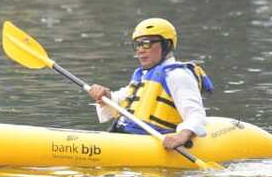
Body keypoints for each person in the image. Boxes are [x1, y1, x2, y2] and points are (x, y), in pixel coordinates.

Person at [87, 18, 214, 151]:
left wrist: (181, 136)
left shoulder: (178, 75)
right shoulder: (144, 74)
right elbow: (124, 101)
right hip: (127, 137)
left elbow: (196, 114)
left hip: (152, 142)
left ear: (167, 45)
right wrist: (105, 96)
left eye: (146, 44)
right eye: (137, 45)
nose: (140, 50)